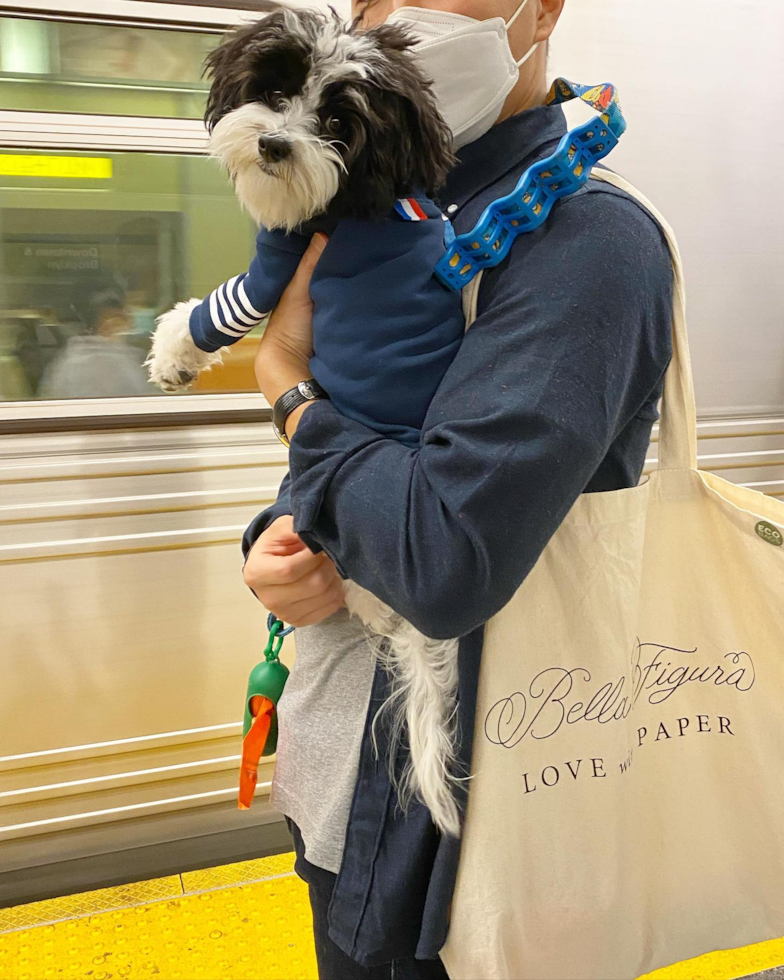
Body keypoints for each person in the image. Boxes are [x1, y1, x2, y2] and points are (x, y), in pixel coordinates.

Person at [242, 1, 674, 977]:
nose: (399, 18)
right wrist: (276, 536)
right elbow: (354, 460)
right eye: (371, 1)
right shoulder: (366, 209)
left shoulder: (583, 239)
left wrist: (287, 388)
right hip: (343, 789)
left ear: (542, 11)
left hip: (480, 827)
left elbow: (443, 558)